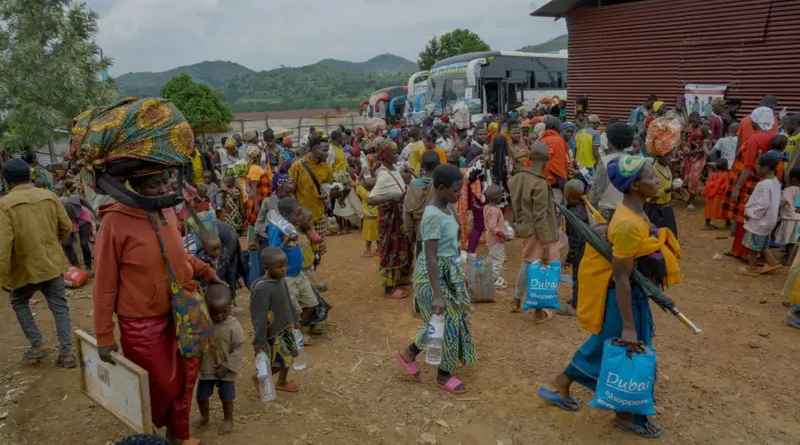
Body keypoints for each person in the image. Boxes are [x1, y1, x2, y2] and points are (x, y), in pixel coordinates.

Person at [539, 155, 679, 439]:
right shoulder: (628, 224)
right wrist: (628, 324)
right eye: (651, 177)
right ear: (635, 186)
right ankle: (626, 414)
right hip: (622, 298)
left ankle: (562, 384)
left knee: (606, 346)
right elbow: (622, 276)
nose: (656, 181)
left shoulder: (639, 214)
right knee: (625, 346)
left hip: (631, 296)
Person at [395, 164, 476, 394]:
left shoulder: (448, 209)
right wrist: (438, 295)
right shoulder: (432, 217)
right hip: (432, 274)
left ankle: (409, 353)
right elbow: (430, 257)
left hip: (448, 270)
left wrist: (459, 278)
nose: (459, 194)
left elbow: (449, 249)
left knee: (449, 319)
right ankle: (443, 374)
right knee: (446, 321)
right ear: (440, 189)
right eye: (455, 190)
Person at [0, 158, 76, 367]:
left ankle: (37, 346)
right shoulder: (50, 196)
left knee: (18, 301)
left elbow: (3, 246)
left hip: (26, 269)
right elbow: (66, 227)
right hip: (52, 264)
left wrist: (3, 276)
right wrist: (52, 245)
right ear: (30, 175)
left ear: (7, 181)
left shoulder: (4, 204)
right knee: (59, 307)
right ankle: (67, 354)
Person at [509, 142, 559, 322]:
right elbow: (540, 216)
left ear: (530, 157)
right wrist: (546, 242)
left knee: (527, 262)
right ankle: (538, 311)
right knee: (542, 269)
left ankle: (516, 300)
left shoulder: (516, 178)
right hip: (540, 231)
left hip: (525, 227)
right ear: (546, 161)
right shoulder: (539, 183)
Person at [724, 107, 777, 259]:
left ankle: (742, 251)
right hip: (761, 181)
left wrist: (737, 188)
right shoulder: (772, 136)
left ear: (755, 122)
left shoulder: (755, 139)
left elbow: (747, 167)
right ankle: (742, 250)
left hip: (748, 183)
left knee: (745, 217)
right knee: (755, 218)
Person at [193, 284, 244, 436]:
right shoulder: (203, 323)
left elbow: (239, 348)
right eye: (214, 313)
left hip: (226, 369)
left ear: (230, 306)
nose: (219, 316)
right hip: (207, 367)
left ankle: (228, 419)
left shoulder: (234, 326)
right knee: (201, 396)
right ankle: (204, 416)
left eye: (224, 312)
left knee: (227, 397)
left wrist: (228, 366)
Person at [266, 198, 318, 342]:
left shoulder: (292, 226)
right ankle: (293, 337)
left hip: (298, 273)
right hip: (287, 276)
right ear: (285, 215)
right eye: (297, 214)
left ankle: (297, 331)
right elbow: (273, 253)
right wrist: (286, 242)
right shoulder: (276, 229)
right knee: (293, 310)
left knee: (311, 303)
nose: (300, 217)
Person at [250, 247, 300, 393]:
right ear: (266, 268)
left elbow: (288, 301)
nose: (284, 269)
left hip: (286, 326)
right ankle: (259, 378)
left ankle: (282, 382)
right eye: (279, 267)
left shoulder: (281, 280)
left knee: (291, 354)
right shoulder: (262, 288)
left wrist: (295, 318)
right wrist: (259, 341)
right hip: (272, 333)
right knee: (283, 360)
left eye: (285, 265)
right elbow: (259, 317)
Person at [368, 139, 412, 299]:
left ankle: (400, 278)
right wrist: (391, 196)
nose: (397, 155)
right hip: (389, 219)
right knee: (390, 250)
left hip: (398, 217)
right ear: (385, 156)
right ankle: (389, 288)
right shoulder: (384, 176)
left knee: (401, 247)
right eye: (393, 153)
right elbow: (371, 200)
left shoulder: (393, 168)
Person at [289, 134, 334, 258]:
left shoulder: (327, 169)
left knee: (317, 254)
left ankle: (312, 275)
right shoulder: (298, 166)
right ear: (314, 149)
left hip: (319, 215)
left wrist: (327, 194)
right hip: (300, 218)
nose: (327, 153)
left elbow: (327, 188)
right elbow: (290, 189)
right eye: (324, 150)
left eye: (328, 150)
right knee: (302, 250)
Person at [737, 152, 782, 276]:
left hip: (759, 220)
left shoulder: (764, 184)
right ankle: (772, 261)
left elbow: (763, 205)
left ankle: (752, 267)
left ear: (765, 168)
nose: (755, 167)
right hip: (768, 220)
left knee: (752, 244)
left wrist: (750, 213)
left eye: (757, 165)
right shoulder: (775, 182)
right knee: (761, 242)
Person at [590, 123, 635, 220]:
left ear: (610, 143)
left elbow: (596, 189)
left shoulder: (605, 161)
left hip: (607, 210)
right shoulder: (634, 161)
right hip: (627, 210)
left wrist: (591, 205)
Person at [404, 151, 441, 261]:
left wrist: (409, 231)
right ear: (439, 165)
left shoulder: (412, 185)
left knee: (422, 262)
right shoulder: (441, 186)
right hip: (439, 230)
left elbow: (406, 212)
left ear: (422, 166)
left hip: (420, 230)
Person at [563, 179, 589, 310]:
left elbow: (575, 239)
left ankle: (576, 305)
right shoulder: (583, 207)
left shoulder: (573, 214)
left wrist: (569, 258)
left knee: (577, 276)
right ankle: (578, 299)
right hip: (587, 247)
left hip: (581, 249)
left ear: (567, 194)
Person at [254, 174, 296, 250]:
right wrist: (254, 240)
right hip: (266, 238)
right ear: (279, 189)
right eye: (287, 192)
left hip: (284, 239)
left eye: (292, 192)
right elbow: (260, 221)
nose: (290, 195)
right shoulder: (268, 201)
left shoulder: (292, 202)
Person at [60, 193, 98, 275]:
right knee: (66, 243)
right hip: (66, 221)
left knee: (84, 243)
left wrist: (95, 213)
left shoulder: (76, 198)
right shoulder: (57, 203)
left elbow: (88, 205)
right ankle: (76, 267)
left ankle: (88, 267)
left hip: (82, 219)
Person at [646, 148, 679, 237]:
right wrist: (669, 189)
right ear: (658, 156)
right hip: (656, 210)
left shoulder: (667, 167)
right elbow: (650, 193)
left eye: (671, 155)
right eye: (667, 155)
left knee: (670, 237)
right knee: (657, 238)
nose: (670, 158)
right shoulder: (652, 170)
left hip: (667, 208)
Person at [682, 127, 713, 211]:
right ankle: (689, 198)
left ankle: (692, 201)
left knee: (693, 180)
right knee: (687, 178)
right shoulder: (696, 138)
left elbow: (704, 150)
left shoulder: (707, 140)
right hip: (692, 158)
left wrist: (691, 153)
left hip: (700, 159)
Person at [483, 185, 508, 288]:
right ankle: (494, 279)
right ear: (496, 198)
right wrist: (502, 234)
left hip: (489, 237)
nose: (502, 197)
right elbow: (492, 226)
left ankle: (488, 275)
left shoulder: (486, 207)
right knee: (498, 259)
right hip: (496, 239)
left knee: (491, 257)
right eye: (500, 195)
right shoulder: (494, 210)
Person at [540, 116, 569, 203]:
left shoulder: (541, 140)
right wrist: (565, 191)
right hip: (553, 189)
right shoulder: (558, 141)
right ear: (554, 126)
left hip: (538, 185)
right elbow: (558, 168)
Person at [775, 167, 800, 265]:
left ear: (793, 178)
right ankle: (790, 257)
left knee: (789, 241)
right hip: (798, 219)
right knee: (794, 241)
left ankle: (789, 260)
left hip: (789, 219)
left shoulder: (788, 190)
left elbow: (781, 202)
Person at [244, 145, 271, 229]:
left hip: (260, 199)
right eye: (261, 153)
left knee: (257, 224)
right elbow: (254, 187)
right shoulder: (255, 168)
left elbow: (248, 184)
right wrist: (256, 205)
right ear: (258, 156)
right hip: (259, 200)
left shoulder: (252, 167)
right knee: (257, 224)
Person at [702, 158, 730, 230]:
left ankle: (706, 224)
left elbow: (708, 183)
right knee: (726, 209)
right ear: (726, 166)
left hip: (711, 196)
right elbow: (727, 186)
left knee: (709, 210)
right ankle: (728, 224)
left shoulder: (713, 174)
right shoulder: (727, 175)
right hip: (721, 197)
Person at [357, 177, 379, 257]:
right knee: (377, 234)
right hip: (377, 217)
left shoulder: (364, 193)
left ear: (365, 187)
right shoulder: (377, 193)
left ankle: (368, 251)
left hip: (368, 219)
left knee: (368, 236)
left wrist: (360, 176)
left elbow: (357, 185)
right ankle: (380, 249)